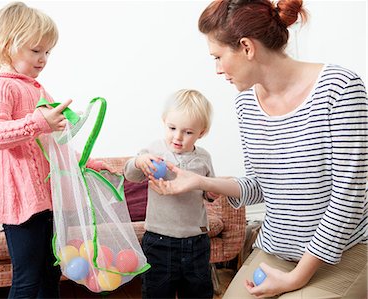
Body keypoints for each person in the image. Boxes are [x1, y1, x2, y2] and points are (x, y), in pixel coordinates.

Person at [149, 0, 368, 298]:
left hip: (344, 254)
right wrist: (199, 181)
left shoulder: (340, 88)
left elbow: (349, 197)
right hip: (276, 251)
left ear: (247, 47)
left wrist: (295, 279)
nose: (216, 69)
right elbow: (258, 185)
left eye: (217, 57)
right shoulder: (246, 104)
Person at [0, 2, 108, 298]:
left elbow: (50, 145)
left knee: (51, 273)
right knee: (27, 279)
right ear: (9, 44)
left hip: (47, 200)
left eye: (48, 52)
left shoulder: (37, 88)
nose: (44, 59)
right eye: (36, 51)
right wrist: (39, 121)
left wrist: (86, 162)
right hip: (19, 204)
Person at [124, 89, 216, 299]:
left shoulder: (203, 158)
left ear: (201, 132)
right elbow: (131, 174)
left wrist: (212, 194)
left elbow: (208, 192)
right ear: (164, 121)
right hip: (159, 240)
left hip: (197, 240)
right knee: (157, 291)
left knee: (199, 292)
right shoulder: (153, 151)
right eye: (172, 128)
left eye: (188, 132)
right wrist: (139, 161)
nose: (178, 136)